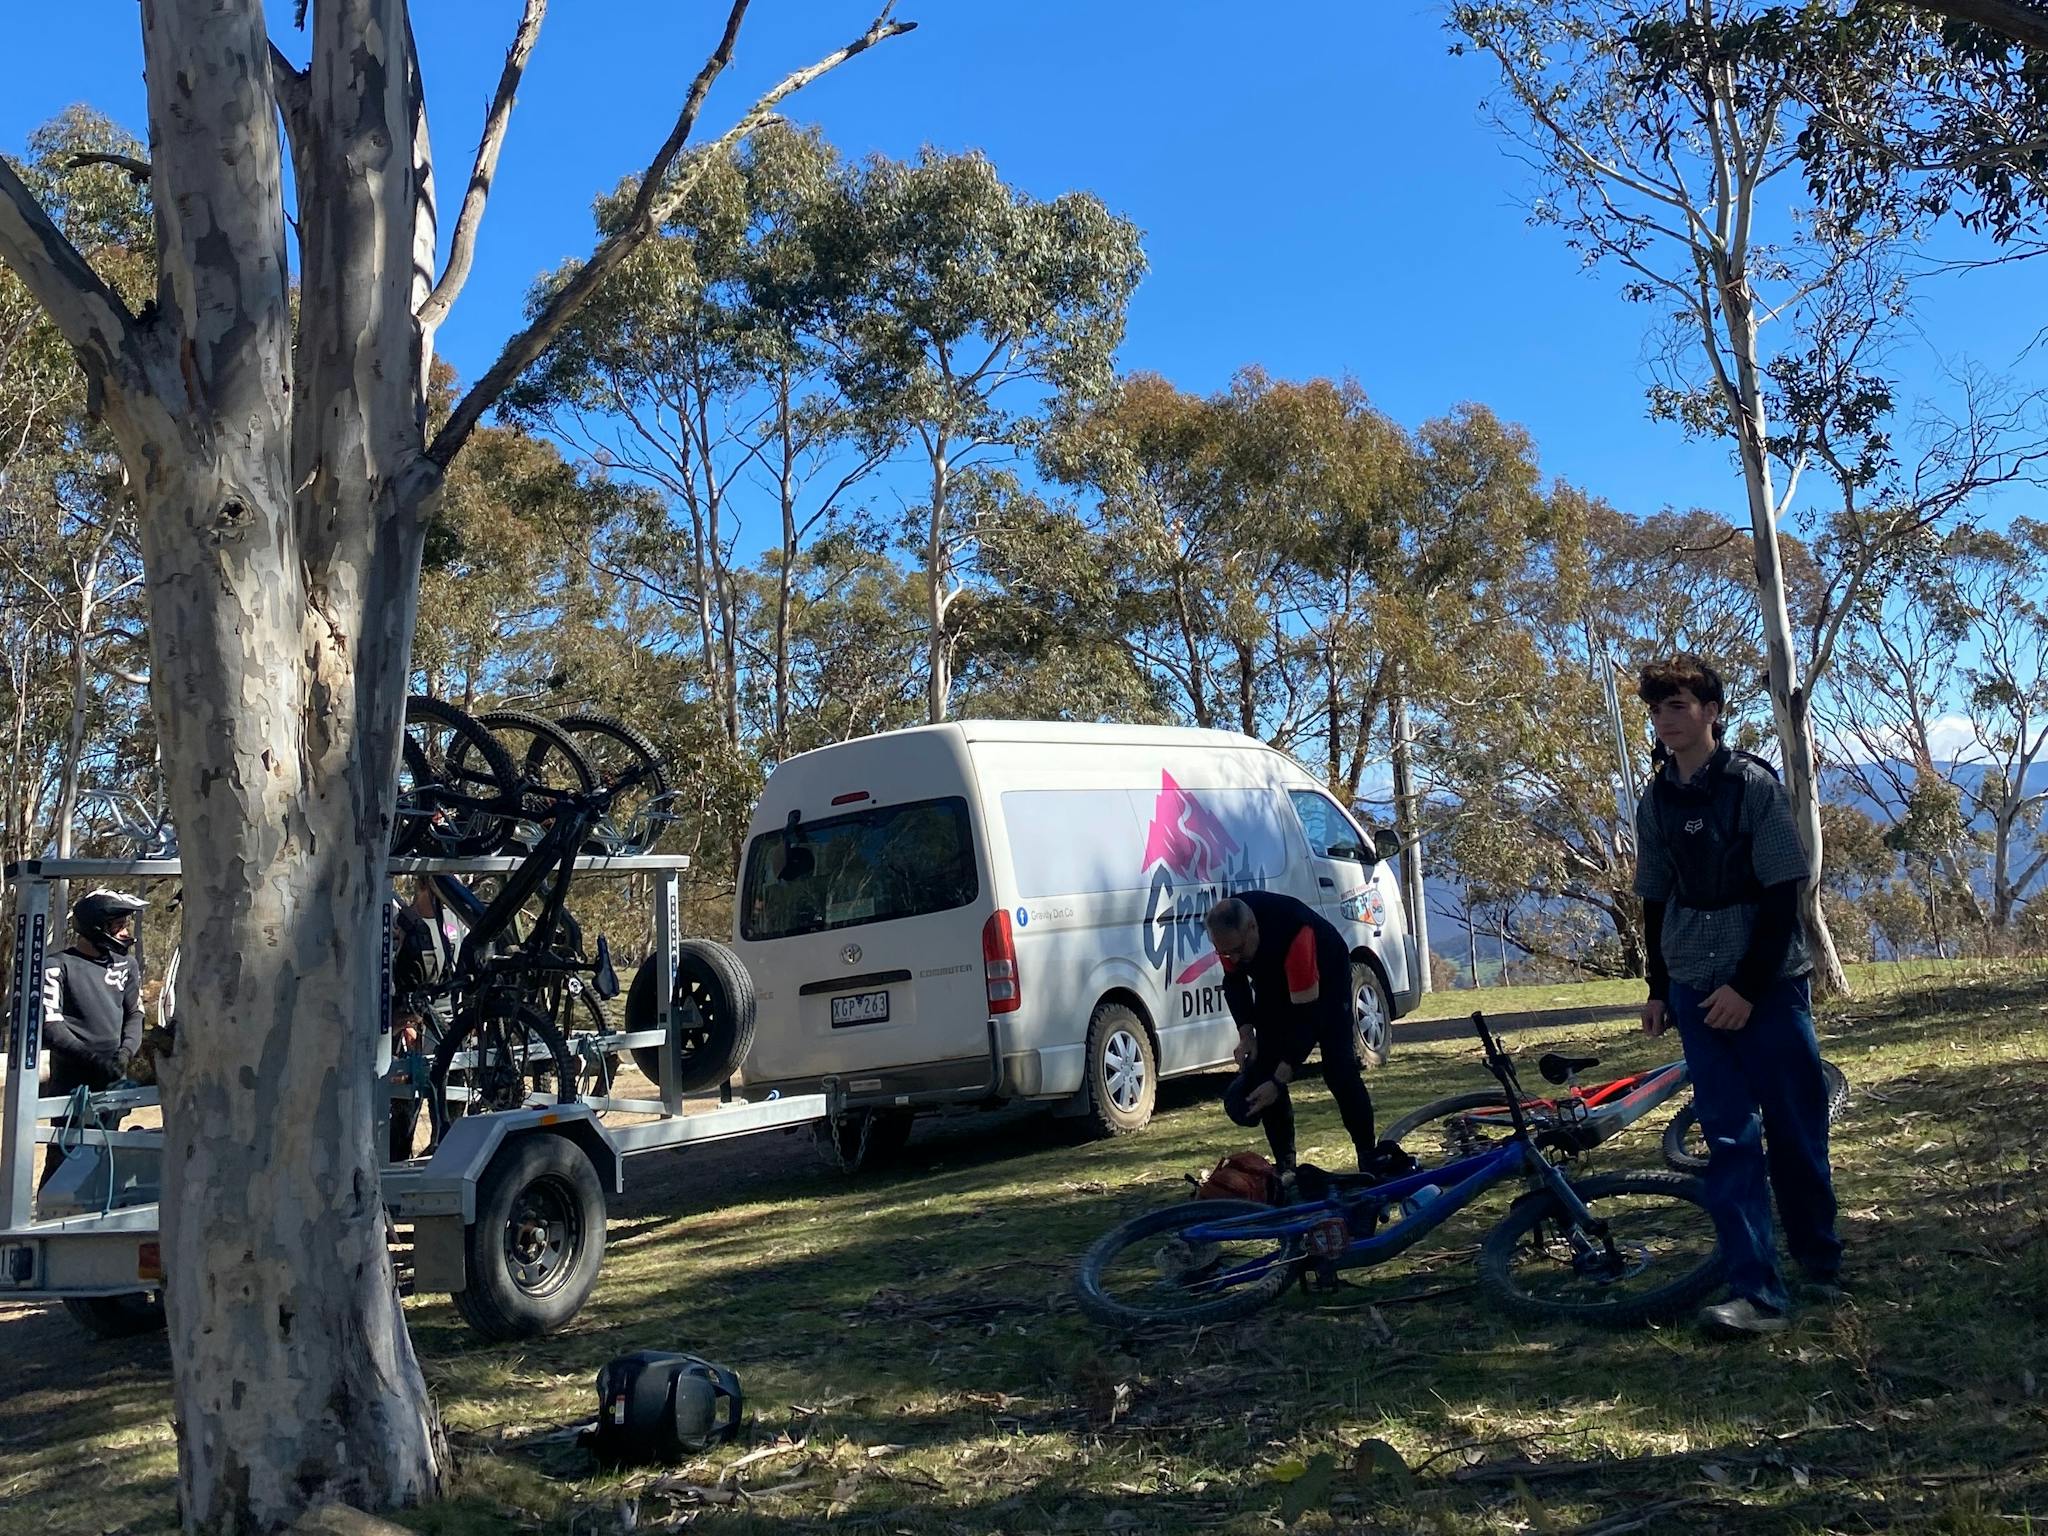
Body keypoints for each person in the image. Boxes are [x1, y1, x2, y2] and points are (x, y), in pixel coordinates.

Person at [1633, 654, 1842, 1338]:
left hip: (1770, 985)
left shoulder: (1752, 785)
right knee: (1728, 1138)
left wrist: (1749, 989)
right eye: (1659, 709)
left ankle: (1819, 1257)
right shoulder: (1655, 798)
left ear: (1712, 711)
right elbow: (1656, 897)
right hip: (1695, 982)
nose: (1668, 721)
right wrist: (1660, 989)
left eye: (1681, 707)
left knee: (1794, 1128)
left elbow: (1785, 888)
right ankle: (1756, 1292)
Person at [1206, 890, 1376, 1180]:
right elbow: (1234, 981)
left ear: (1252, 928)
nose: (1233, 957)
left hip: (1326, 980)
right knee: (1261, 1077)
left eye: (1237, 950)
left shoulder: (1295, 931)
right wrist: (1247, 1033)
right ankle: (1286, 1169)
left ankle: (1368, 1155)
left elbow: (1308, 1020)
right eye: (1225, 953)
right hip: (1273, 982)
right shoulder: (1228, 931)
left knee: (1339, 1071)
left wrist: (1280, 1077)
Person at [39, 889, 148, 1194]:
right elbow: (51, 1026)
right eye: (118, 925)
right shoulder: (56, 966)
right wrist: (94, 1061)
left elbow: (135, 1015)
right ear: (97, 927)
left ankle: (97, 1206)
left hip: (113, 1080)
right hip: (72, 1085)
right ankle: (53, 1219)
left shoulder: (126, 967)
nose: (126, 933)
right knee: (65, 1157)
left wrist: (125, 1054)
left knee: (104, 1152)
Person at [386, 879, 454, 1162]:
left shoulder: (451, 924)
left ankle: (441, 1151)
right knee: (404, 1104)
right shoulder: (405, 921)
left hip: (441, 1024)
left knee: (446, 1102)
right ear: (426, 887)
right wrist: (407, 1025)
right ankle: (398, 1160)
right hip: (408, 1028)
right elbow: (394, 977)